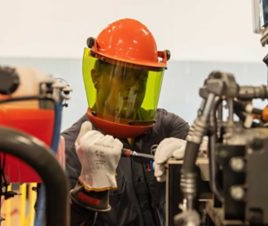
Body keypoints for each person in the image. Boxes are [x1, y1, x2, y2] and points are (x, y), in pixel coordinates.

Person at [62, 18, 189, 226]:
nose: (134, 87)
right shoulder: (70, 149)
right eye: (124, 75)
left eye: (141, 78)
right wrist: (86, 190)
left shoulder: (168, 128)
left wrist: (195, 152)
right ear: (96, 78)